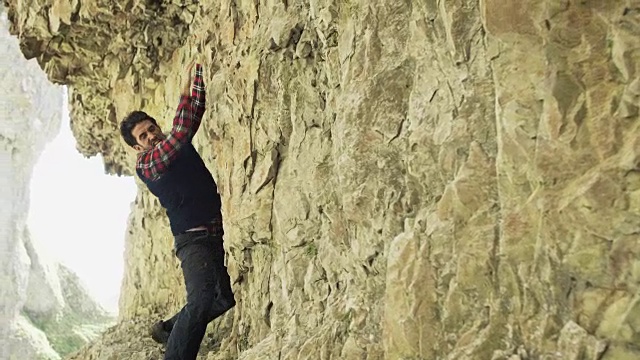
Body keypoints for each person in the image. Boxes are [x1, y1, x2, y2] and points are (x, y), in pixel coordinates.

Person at [119, 60, 236, 360]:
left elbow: (191, 118)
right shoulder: (148, 165)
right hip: (193, 240)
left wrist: (199, 70)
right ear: (137, 147)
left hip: (216, 232)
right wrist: (188, 83)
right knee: (199, 302)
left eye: (151, 129)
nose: (150, 136)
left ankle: (167, 330)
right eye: (142, 137)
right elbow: (183, 130)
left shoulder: (173, 142)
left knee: (223, 300)